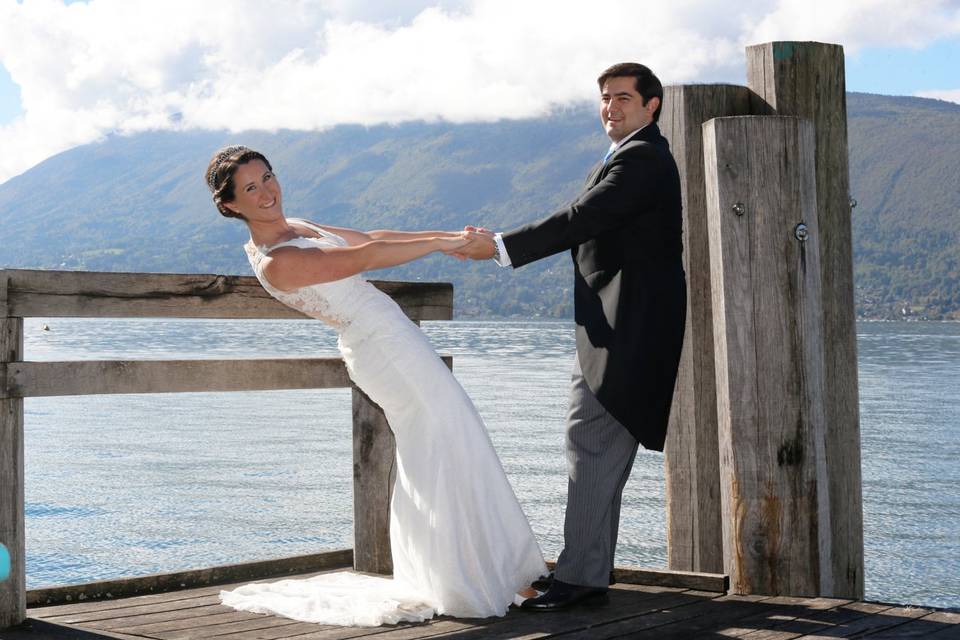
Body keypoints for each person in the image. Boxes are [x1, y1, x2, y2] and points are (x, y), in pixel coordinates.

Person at [205, 145, 545, 626]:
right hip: (379, 347)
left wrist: (448, 235)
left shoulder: (296, 227)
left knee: (452, 438)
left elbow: (369, 236)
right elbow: (366, 256)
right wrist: (440, 245)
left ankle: (495, 571)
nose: (267, 192)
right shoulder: (276, 261)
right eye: (251, 188)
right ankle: (466, 579)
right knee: (442, 441)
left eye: (268, 177)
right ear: (231, 205)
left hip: (394, 335)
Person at [455, 62, 686, 611]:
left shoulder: (643, 159)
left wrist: (503, 246)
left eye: (623, 99)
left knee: (590, 449)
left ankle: (580, 579)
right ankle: (588, 574)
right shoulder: (629, 157)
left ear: (652, 105)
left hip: (623, 337)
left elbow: (583, 217)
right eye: (605, 98)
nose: (611, 107)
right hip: (617, 332)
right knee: (599, 457)